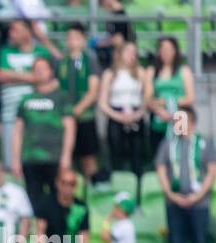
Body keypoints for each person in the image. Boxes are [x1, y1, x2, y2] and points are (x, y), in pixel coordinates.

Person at [11, 56, 74, 221]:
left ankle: (57, 240)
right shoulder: (26, 100)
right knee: (33, 201)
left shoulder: (61, 97)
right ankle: (38, 239)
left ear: (51, 72)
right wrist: (16, 158)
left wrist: (66, 156)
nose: (39, 72)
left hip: (54, 157)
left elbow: (70, 127)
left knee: (57, 200)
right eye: (35, 69)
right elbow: (18, 130)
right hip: (30, 158)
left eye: (43, 68)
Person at [155, 108, 216, 243]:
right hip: (174, 202)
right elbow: (161, 169)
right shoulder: (168, 144)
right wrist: (171, 194)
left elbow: (212, 172)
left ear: (192, 122)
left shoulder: (205, 143)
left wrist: (197, 196)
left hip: (199, 203)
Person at [0, 19, 54, 168]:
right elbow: (2, 75)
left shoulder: (41, 51)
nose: (11, 33)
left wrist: (14, 76)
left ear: (28, 32)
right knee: (10, 163)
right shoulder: (6, 51)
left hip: (36, 117)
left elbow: (58, 65)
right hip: (10, 115)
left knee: (35, 162)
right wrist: (34, 78)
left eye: (15, 29)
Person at [99, 40, 148, 179]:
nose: (132, 56)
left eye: (134, 53)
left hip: (136, 114)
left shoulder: (140, 72)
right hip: (115, 114)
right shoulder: (109, 74)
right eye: (128, 52)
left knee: (137, 155)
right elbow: (103, 103)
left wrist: (137, 114)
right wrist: (118, 116)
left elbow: (147, 98)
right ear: (120, 54)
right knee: (116, 155)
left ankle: (138, 186)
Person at [59, 24, 101, 183]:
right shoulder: (62, 61)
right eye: (69, 38)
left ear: (83, 39)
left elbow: (93, 91)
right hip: (64, 118)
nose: (72, 41)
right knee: (67, 158)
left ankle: (93, 190)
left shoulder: (90, 60)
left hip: (85, 117)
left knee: (88, 159)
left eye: (76, 37)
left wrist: (76, 111)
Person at [143, 36, 195, 164]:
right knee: (160, 154)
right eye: (163, 49)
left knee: (181, 152)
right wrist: (159, 110)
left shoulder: (184, 70)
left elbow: (190, 98)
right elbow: (148, 98)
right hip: (158, 117)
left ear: (175, 51)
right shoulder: (152, 70)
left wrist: (167, 102)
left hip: (180, 116)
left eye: (169, 49)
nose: (166, 52)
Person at [40, 168, 90, 243]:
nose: (68, 187)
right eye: (64, 182)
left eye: (72, 184)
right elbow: (40, 233)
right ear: (57, 183)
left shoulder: (81, 207)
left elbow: (84, 238)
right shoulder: (46, 203)